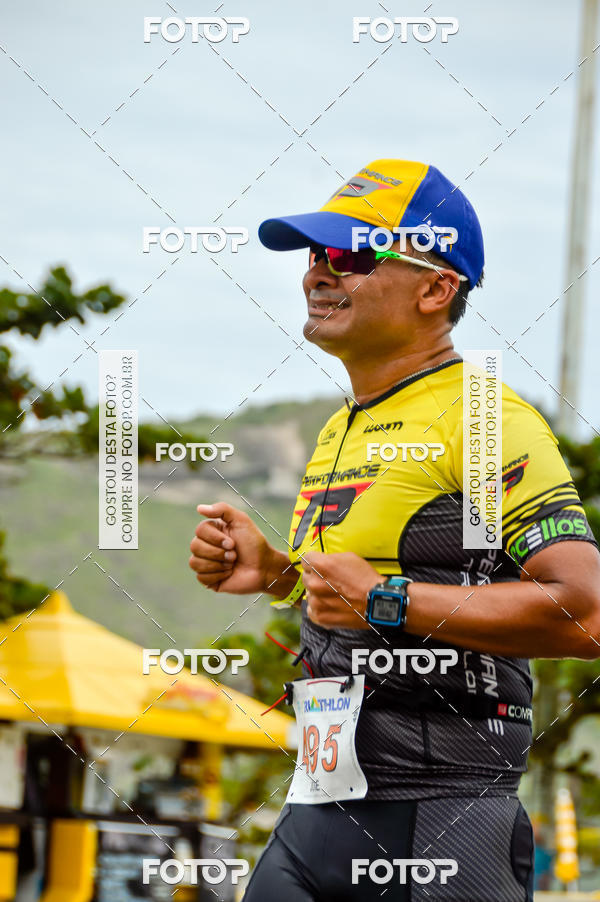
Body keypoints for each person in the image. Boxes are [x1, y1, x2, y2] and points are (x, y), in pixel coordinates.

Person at [189, 159, 600, 901]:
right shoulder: (338, 429)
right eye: (314, 255)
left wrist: (389, 602)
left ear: (436, 289)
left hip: (443, 820)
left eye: (350, 255)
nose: (318, 274)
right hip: (315, 812)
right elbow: (372, 587)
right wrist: (278, 573)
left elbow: (587, 611)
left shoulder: (481, 417)